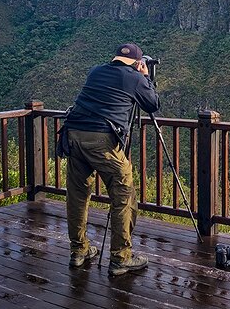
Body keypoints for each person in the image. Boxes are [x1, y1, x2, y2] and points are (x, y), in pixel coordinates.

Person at [63, 43, 160, 276]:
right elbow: (153, 104)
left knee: (77, 195)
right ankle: (120, 257)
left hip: (72, 135)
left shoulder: (96, 70)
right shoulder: (135, 78)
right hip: (101, 141)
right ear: (138, 63)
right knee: (123, 193)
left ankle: (78, 251)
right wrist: (146, 77)